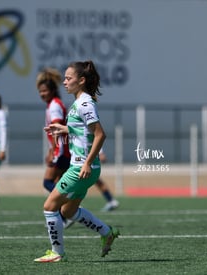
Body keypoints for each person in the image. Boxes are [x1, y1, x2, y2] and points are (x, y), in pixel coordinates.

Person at [34, 60, 120, 263]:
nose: (64, 82)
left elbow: (100, 135)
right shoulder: (79, 102)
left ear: (81, 81)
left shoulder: (84, 103)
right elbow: (83, 130)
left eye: (68, 78)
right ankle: (107, 232)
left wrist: (87, 163)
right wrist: (63, 129)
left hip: (81, 167)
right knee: (68, 210)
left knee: (49, 206)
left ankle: (57, 253)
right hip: (81, 167)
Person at [36, 68, 71, 193]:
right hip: (63, 150)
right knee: (58, 185)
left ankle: (69, 205)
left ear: (53, 91)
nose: (42, 94)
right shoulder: (52, 104)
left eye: (45, 91)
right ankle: (65, 209)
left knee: (48, 182)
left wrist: (54, 152)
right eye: (40, 91)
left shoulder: (55, 105)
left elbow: (57, 129)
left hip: (61, 150)